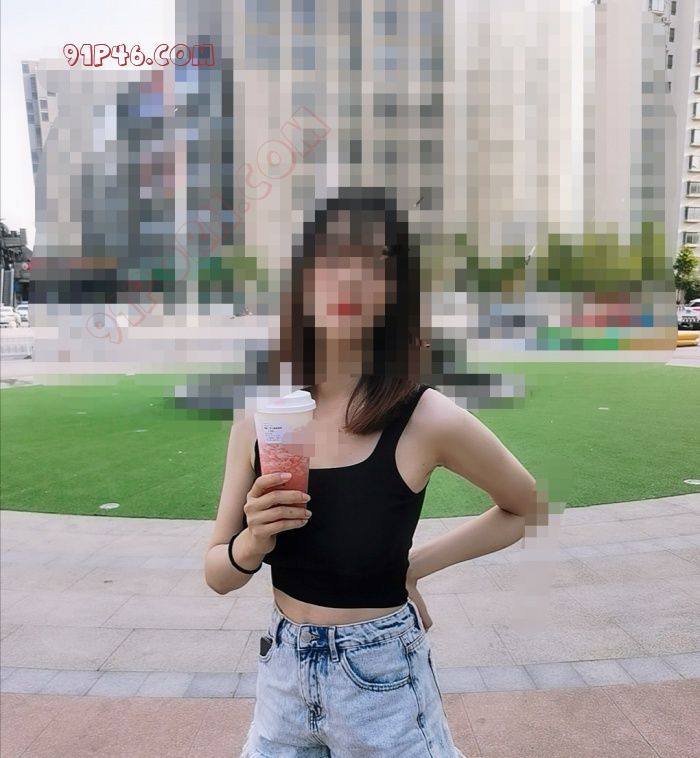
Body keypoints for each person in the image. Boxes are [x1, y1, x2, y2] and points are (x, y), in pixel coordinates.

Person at [204, 189, 539, 757]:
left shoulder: (425, 417)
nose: (350, 277)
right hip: (281, 682)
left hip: (383, 684)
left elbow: (527, 506)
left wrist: (412, 567)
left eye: (375, 261)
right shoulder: (261, 420)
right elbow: (217, 574)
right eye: (332, 256)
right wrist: (253, 540)